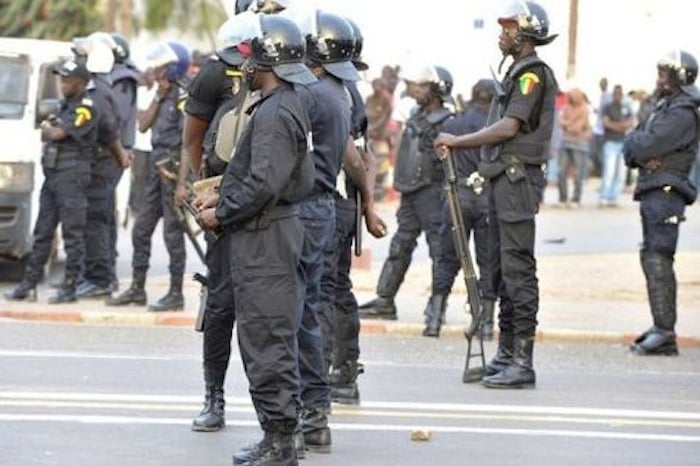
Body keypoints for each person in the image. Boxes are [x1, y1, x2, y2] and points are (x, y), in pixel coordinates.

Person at [195, 14, 316, 466]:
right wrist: (219, 202)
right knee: (263, 338)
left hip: (267, 238)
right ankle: (275, 436)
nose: (243, 65)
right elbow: (257, 176)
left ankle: (282, 442)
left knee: (268, 340)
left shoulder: (276, 110)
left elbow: (264, 182)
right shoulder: (278, 104)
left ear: (267, 59)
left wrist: (222, 212)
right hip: (263, 233)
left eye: (249, 56)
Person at [434, 0, 558, 389]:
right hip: (502, 180)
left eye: (507, 28)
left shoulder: (532, 74)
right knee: (502, 271)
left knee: (518, 269)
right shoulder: (516, 71)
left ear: (523, 34)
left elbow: (509, 128)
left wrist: (458, 141)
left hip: (518, 183)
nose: (501, 34)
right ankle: (506, 353)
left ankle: (523, 359)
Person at [175, 11, 258, 433]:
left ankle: (292, 409)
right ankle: (214, 396)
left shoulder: (289, 76)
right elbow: (192, 136)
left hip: (270, 207)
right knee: (222, 305)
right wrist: (193, 185)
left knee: (277, 312)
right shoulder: (213, 74)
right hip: (223, 204)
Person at [358, 64, 453, 322]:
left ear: (437, 90)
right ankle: (385, 300)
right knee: (399, 247)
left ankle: (437, 306)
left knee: (439, 251)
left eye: (422, 86)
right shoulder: (415, 116)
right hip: (411, 194)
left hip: (432, 194)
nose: (415, 90)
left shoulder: (447, 120)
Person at [324, 16, 387, 406]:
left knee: (328, 287)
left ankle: (340, 370)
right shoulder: (348, 90)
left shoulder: (337, 90)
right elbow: (368, 156)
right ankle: (341, 369)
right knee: (334, 286)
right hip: (343, 201)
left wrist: (367, 205)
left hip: (335, 201)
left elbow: (356, 155)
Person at [106, 41, 191, 312]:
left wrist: (181, 185)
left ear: (172, 68)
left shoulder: (184, 96)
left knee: (173, 234)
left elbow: (189, 142)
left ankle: (176, 293)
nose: (154, 70)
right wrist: (157, 95)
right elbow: (142, 126)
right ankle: (137, 288)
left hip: (174, 169)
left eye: (160, 66)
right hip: (155, 167)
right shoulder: (163, 95)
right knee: (141, 229)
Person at [624, 50, 699, 356]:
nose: (658, 80)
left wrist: (642, 148)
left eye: (664, 74)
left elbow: (648, 144)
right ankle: (661, 327)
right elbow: (634, 144)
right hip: (654, 188)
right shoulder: (666, 106)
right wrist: (639, 147)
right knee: (651, 256)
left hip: (667, 191)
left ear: (680, 76)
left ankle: (666, 332)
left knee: (658, 258)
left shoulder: (683, 111)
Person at [4, 59, 98, 303]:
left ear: (81, 83)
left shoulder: (86, 108)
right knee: (42, 232)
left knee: (72, 235)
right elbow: (50, 129)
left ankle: (69, 287)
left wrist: (50, 128)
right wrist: (50, 127)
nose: (62, 83)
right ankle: (29, 284)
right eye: (61, 79)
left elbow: (55, 132)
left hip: (72, 177)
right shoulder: (64, 106)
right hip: (54, 176)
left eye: (67, 80)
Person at [429, 78, 497, 339]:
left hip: (458, 196)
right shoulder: (496, 127)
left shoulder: (453, 124)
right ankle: (487, 324)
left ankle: (435, 319)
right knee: (488, 261)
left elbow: (439, 163)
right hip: (487, 197)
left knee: (448, 258)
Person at [70, 32, 132, 298]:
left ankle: (99, 279)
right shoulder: (99, 88)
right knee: (101, 220)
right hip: (103, 163)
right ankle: (101, 277)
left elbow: (108, 131)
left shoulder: (99, 91)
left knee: (96, 221)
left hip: (102, 164)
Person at [599, 84, 635, 207]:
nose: (618, 96)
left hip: (622, 142)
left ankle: (613, 197)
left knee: (620, 172)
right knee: (609, 171)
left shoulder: (626, 107)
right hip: (610, 142)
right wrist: (620, 126)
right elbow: (605, 123)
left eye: (620, 94)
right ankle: (604, 197)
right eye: (616, 94)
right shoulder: (607, 107)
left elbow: (632, 122)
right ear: (613, 94)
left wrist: (617, 126)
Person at [556, 87, 591, 208]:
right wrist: (570, 123)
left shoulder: (584, 109)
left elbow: (577, 128)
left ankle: (576, 199)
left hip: (580, 145)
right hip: (565, 143)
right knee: (561, 172)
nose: (571, 98)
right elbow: (560, 121)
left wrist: (568, 124)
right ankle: (563, 198)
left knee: (578, 174)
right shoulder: (566, 107)